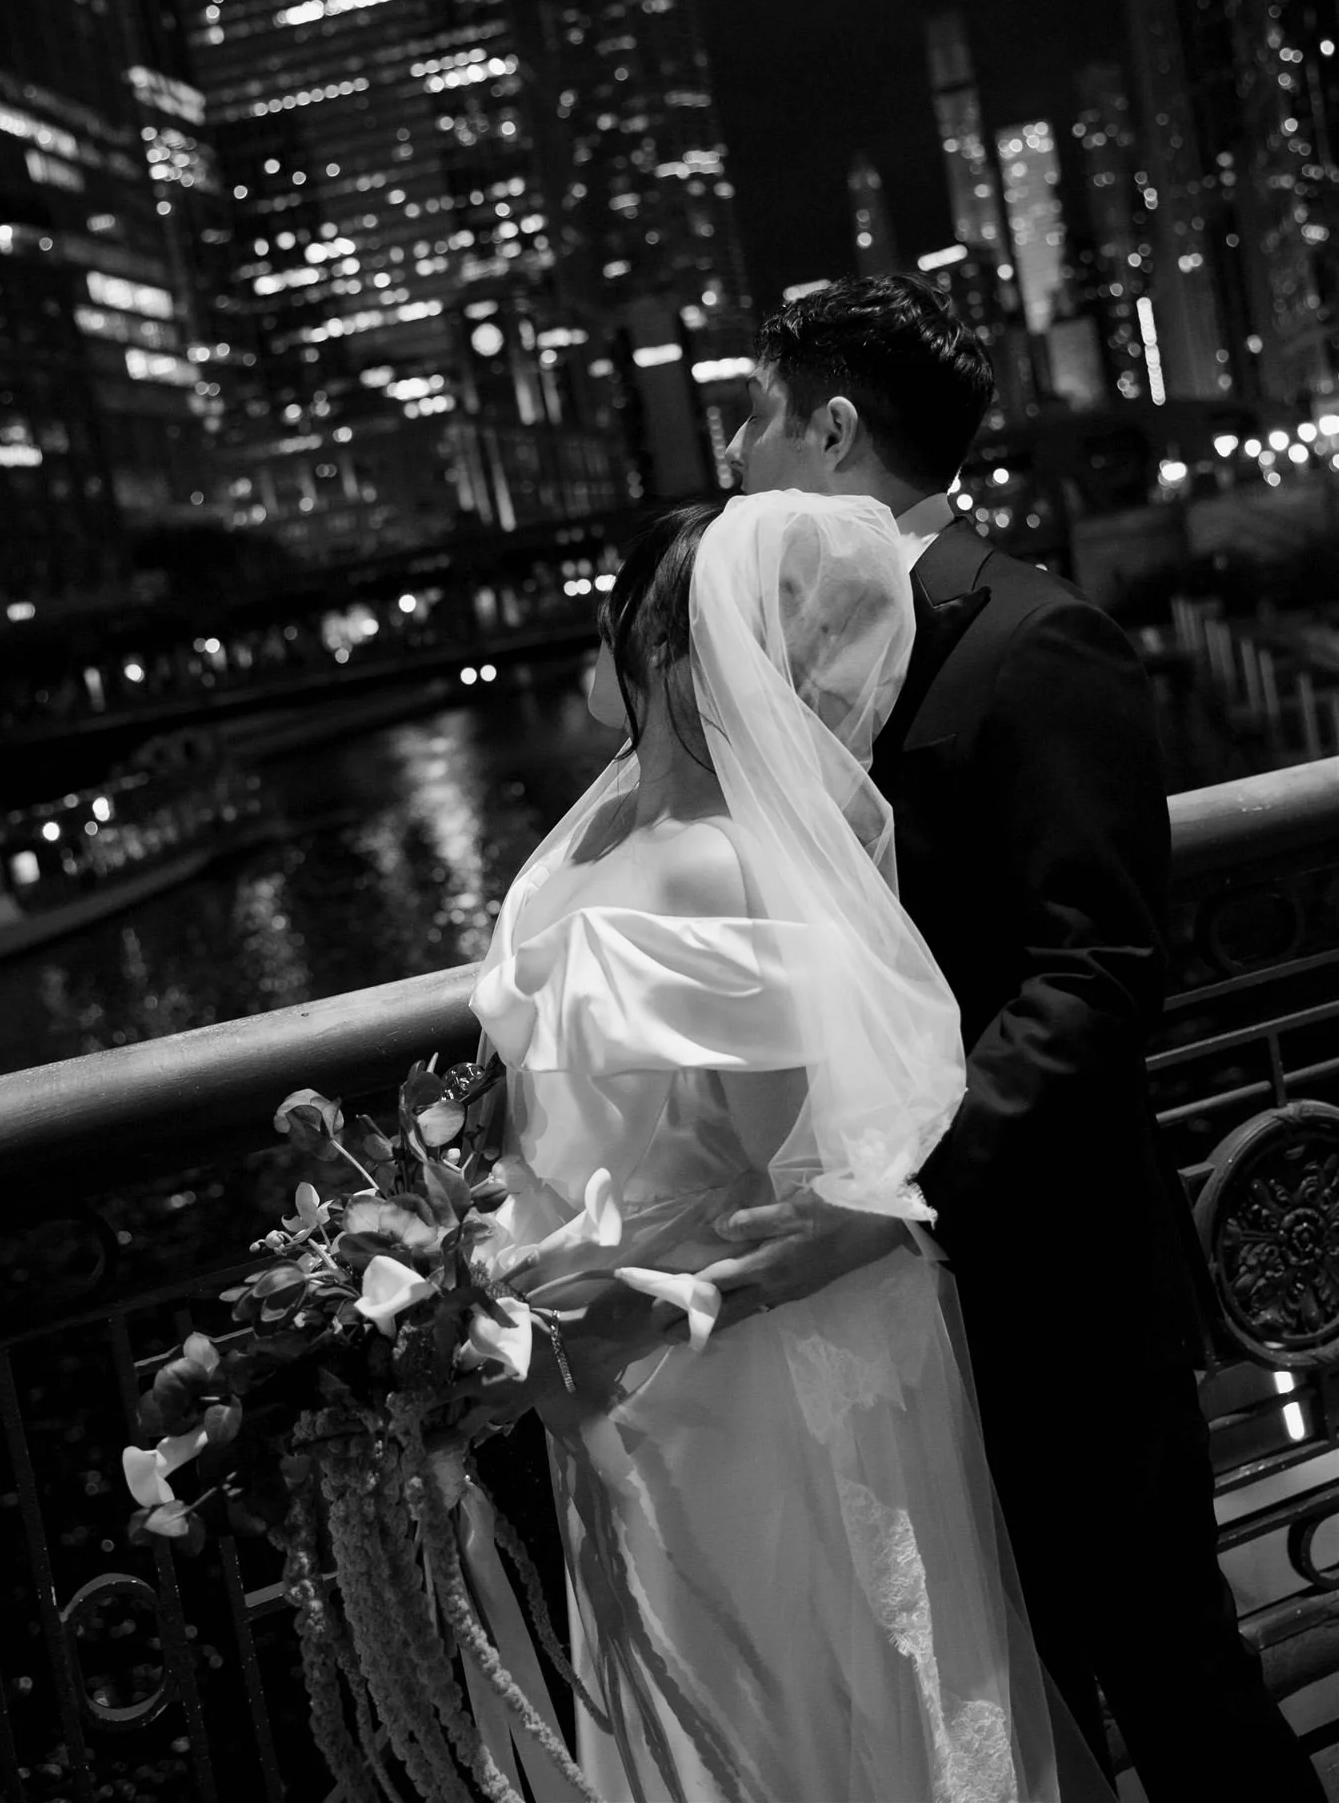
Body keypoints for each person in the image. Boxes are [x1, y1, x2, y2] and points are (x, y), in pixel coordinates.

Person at [707, 274, 1325, 1803]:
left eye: (753, 413)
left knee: (1173, 1677)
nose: (726, 452)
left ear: (833, 429)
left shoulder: (1035, 641)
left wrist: (905, 1181)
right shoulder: (780, 670)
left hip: (1051, 1285)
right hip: (888, 1320)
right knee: (998, 1704)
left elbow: (1097, 974)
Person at [469, 493, 1112, 1802]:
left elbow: (781, 1193)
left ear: (654, 654)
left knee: (785, 1710)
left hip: (703, 1374)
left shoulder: (714, 868)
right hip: (612, 1383)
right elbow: (526, 1105)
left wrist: (583, 1326)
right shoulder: (582, 844)